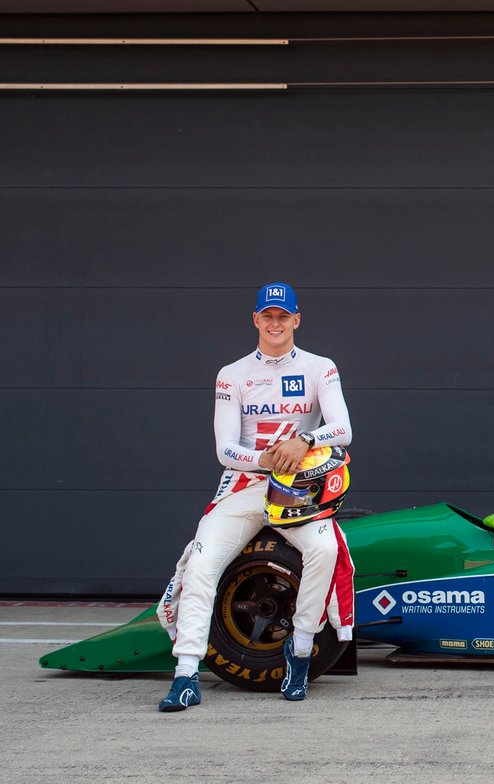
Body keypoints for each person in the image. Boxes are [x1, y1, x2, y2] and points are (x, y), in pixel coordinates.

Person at [158, 282, 354, 711]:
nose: (276, 323)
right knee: (202, 562)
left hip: (298, 490)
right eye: (268, 316)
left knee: (323, 550)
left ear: (297, 320)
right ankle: (186, 674)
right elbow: (224, 449)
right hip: (246, 485)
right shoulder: (233, 373)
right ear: (255, 320)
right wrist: (265, 458)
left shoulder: (321, 367)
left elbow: (343, 429)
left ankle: (300, 651)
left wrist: (303, 440)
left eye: (283, 316)